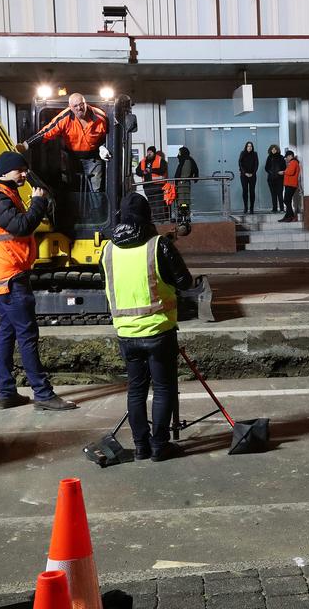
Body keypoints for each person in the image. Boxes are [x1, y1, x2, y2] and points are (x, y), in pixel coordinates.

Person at [0, 151, 77, 412]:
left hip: (5, 274)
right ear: (5, 171)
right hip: (9, 275)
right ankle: (42, 394)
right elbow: (21, 226)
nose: (24, 174)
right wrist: (38, 203)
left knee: (7, 334)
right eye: (20, 170)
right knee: (27, 335)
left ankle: (7, 393)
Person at [102, 192, 194, 462]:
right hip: (158, 330)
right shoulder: (158, 245)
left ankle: (141, 446)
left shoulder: (108, 249)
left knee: (136, 389)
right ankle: (160, 446)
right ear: (148, 216)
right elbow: (185, 282)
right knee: (163, 388)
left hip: (126, 334)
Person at [22, 93, 109, 193]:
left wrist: (103, 147)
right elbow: (47, 132)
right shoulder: (64, 118)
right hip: (72, 158)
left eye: (81, 104)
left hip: (93, 158)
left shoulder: (100, 117)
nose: (79, 108)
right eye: (75, 106)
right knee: (73, 187)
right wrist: (27, 144)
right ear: (70, 107)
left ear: (86, 104)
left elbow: (108, 136)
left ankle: (95, 208)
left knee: (96, 188)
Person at [173, 146, 199, 213]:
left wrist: (182, 181)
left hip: (183, 184)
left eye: (179, 152)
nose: (178, 154)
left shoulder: (186, 160)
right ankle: (183, 214)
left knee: (183, 200)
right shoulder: (185, 160)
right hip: (182, 184)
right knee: (183, 200)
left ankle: (183, 215)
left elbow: (185, 173)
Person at [238, 141, 259, 214]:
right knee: (245, 191)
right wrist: (245, 173)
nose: (249, 147)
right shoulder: (242, 153)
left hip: (252, 176)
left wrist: (252, 173)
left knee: (252, 192)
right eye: (248, 146)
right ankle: (245, 207)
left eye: (251, 146)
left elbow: (256, 164)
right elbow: (240, 163)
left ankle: (251, 208)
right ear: (246, 147)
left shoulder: (255, 154)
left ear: (252, 147)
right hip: (244, 176)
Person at [281, 149, 301, 222]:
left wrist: (283, 172)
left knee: (286, 200)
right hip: (290, 184)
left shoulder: (293, 162)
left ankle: (291, 216)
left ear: (290, 156)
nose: (286, 158)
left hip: (291, 184)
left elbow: (290, 172)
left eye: (287, 157)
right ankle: (288, 216)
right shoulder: (293, 162)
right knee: (287, 200)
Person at [265, 144, 286, 213]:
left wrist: (281, 172)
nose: (273, 150)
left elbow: (284, 168)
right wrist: (271, 172)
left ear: (277, 150)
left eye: (275, 149)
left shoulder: (281, 157)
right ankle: (274, 209)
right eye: (272, 149)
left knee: (280, 193)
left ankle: (282, 209)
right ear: (270, 150)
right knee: (273, 194)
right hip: (271, 179)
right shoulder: (269, 157)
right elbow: (266, 168)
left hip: (279, 179)